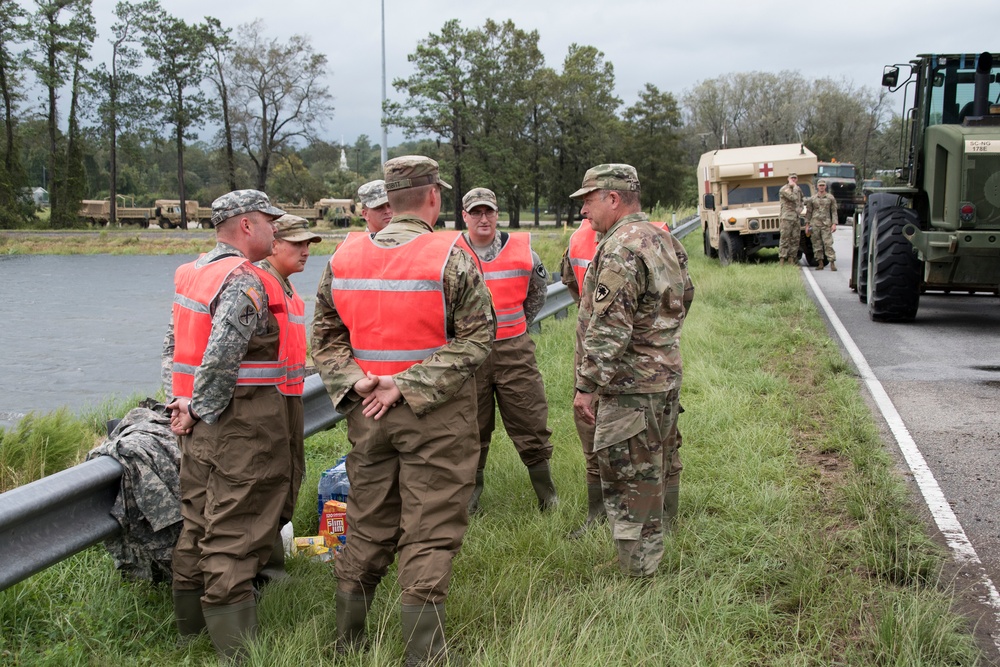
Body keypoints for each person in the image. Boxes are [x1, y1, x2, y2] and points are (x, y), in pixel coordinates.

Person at [311, 156, 495, 665]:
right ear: (433, 196)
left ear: (389, 202)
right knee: (430, 530)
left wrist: (358, 382)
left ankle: (346, 642)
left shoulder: (344, 257)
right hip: (433, 417)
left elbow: (324, 338)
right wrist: (407, 384)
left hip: (367, 415)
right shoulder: (450, 255)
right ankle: (424, 655)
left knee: (368, 521)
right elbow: (480, 338)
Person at [161, 190, 288, 662]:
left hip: (195, 426)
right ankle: (236, 649)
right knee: (235, 530)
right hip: (237, 425)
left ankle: (189, 634)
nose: (276, 230)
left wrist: (179, 404)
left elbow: (173, 347)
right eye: (269, 221)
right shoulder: (243, 280)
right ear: (247, 226)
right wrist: (199, 407)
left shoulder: (191, 272)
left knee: (195, 523)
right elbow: (220, 358)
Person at [570, 164, 691, 578]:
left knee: (629, 487)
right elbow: (684, 296)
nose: (584, 210)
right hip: (664, 380)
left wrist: (586, 387)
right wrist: (656, 344)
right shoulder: (663, 238)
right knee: (655, 469)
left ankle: (639, 579)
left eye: (588, 200)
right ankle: (653, 554)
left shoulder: (621, 247)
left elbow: (608, 330)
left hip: (630, 389)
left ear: (613, 198)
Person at [457, 187, 557, 514]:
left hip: (515, 351)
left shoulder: (522, 249)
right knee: (472, 426)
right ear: (465, 216)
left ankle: (547, 495)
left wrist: (517, 327)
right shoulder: (450, 252)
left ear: (497, 214)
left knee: (530, 420)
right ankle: (471, 498)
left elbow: (538, 293)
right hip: (469, 354)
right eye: (476, 213)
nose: (483, 218)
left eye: (489, 212)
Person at [254, 214, 322, 584]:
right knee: (269, 481)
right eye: (297, 243)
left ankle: (272, 565)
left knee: (289, 477)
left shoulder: (287, 287)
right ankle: (266, 573)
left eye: (309, 243)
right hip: (266, 403)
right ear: (273, 243)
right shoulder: (259, 283)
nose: (306, 251)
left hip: (289, 396)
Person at [805, 179, 838, 271]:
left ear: (825, 186)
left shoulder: (830, 198)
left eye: (823, 185)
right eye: (820, 185)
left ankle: (832, 262)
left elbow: (834, 211)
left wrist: (834, 223)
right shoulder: (812, 199)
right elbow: (809, 212)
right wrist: (807, 225)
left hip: (826, 224)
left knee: (828, 243)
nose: (822, 187)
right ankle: (820, 263)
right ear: (817, 186)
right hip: (815, 224)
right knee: (817, 244)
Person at [778, 172, 804, 266]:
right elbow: (793, 197)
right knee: (785, 239)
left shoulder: (798, 189)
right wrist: (795, 187)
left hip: (796, 217)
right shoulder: (784, 189)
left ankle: (791, 259)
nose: (793, 180)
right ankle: (782, 259)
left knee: (795, 239)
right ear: (788, 179)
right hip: (787, 218)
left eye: (795, 178)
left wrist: (801, 208)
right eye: (792, 178)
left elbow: (801, 199)